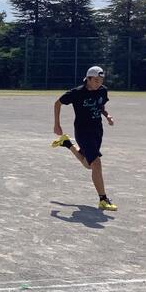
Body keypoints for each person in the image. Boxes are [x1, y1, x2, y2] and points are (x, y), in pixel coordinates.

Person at [51, 65, 117, 211]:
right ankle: (103, 199)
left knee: (89, 164)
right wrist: (57, 124)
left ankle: (67, 143)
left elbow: (100, 106)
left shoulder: (102, 90)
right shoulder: (77, 93)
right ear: (88, 79)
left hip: (97, 131)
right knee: (96, 163)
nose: (99, 84)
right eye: (96, 80)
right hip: (83, 131)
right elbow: (57, 103)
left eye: (101, 81)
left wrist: (107, 116)